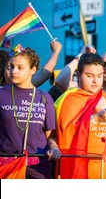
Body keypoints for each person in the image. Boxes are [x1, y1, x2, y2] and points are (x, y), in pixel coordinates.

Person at [0, 44, 61, 178]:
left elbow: (50, 136)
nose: (14, 71)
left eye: (20, 67)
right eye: (11, 66)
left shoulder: (45, 98)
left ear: (33, 70)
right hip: (5, 168)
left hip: (38, 168)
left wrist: (54, 147)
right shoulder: (1, 94)